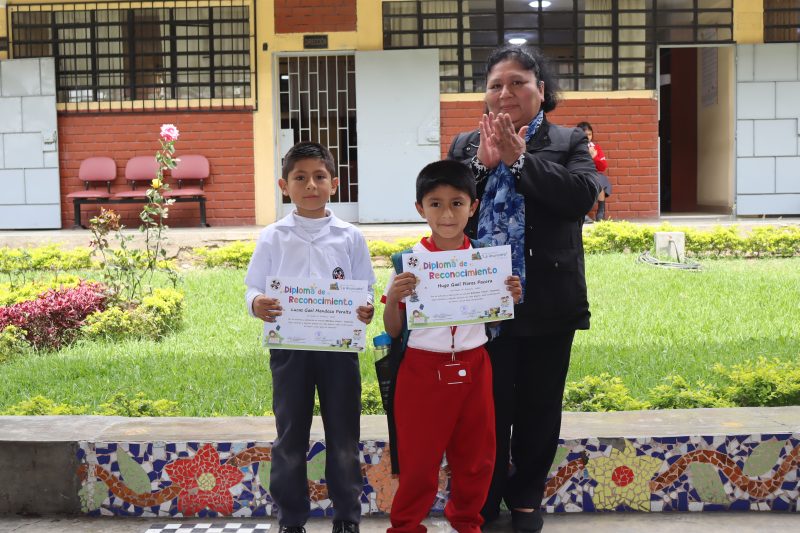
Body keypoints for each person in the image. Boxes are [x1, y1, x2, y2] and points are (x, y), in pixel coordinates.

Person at [447, 46, 599, 533]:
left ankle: (528, 496)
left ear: (541, 91)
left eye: (518, 83)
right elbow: (441, 208)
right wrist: (480, 168)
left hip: (546, 299)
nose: (505, 92)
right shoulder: (466, 143)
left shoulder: (568, 140)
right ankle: (484, 500)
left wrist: (519, 160)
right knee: (486, 408)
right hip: (477, 301)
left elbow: (579, 198)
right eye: (496, 84)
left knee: (538, 405)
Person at [382, 160, 521, 533]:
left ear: (472, 207)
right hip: (422, 370)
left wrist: (506, 298)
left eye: (457, 203)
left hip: (475, 365)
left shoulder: (487, 261)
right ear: (420, 208)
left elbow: (492, 322)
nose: (447, 213)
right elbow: (393, 331)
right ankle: (406, 526)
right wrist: (395, 298)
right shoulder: (406, 265)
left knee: (477, 459)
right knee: (418, 461)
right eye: (436, 203)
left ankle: (467, 522)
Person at [244, 141, 376, 533]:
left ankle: (347, 518)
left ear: (335, 184)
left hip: (338, 352)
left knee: (343, 437)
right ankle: (291, 519)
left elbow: (364, 288)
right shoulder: (273, 237)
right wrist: (258, 305)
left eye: (320, 177)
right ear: (284, 185)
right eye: (300, 177)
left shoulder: (350, 237)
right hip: (290, 351)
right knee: (289, 438)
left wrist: (365, 309)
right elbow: (252, 288)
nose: (311, 185)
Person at [577, 121, 611, 222]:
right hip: (579, 175)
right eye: (585, 134)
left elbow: (603, 167)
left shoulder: (596, 148)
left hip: (594, 174)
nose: (588, 137)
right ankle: (583, 214)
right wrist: (589, 157)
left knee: (600, 180)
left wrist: (595, 157)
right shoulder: (575, 147)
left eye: (590, 134)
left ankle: (601, 213)